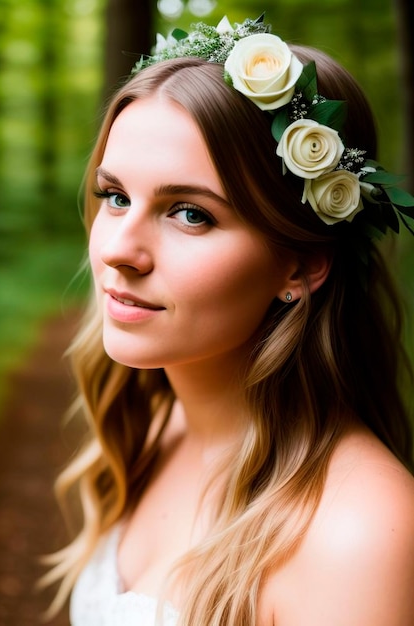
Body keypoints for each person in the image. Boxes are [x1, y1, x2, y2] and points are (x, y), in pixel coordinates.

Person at [43, 14, 414, 626]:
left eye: (189, 213)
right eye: (115, 196)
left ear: (300, 265)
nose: (117, 250)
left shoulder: (361, 534)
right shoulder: (153, 424)